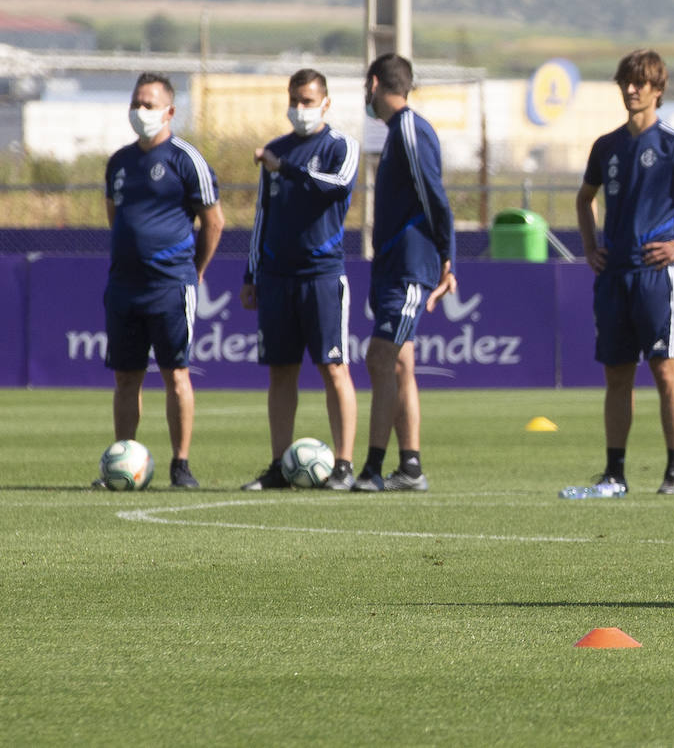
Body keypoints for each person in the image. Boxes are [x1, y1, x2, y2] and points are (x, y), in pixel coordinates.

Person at [575, 48, 674, 496]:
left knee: (666, 371)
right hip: (614, 277)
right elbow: (584, 198)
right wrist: (589, 247)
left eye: (640, 83)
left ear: (657, 89)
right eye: (625, 82)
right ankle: (615, 473)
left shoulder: (673, 143)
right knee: (617, 376)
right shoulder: (606, 146)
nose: (631, 90)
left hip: (655, 276)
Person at [240, 69, 361, 491]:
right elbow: (263, 215)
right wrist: (252, 273)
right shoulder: (275, 150)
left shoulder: (340, 146)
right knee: (281, 371)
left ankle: (343, 466)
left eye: (307, 101)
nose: (299, 108)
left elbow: (338, 186)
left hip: (321, 274)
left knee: (333, 367)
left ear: (325, 103)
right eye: (294, 100)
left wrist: (287, 169)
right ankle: (278, 465)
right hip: (276, 276)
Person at [102, 71, 223, 488]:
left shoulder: (186, 159)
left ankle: (180, 465)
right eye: (136, 103)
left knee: (176, 373)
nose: (140, 111)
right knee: (126, 377)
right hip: (124, 285)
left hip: (170, 284)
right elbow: (115, 216)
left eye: (149, 104)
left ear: (169, 111)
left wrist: (196, 269)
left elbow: (213, 222)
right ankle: (122, 460)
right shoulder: (119, 162)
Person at [354, 53, 456, 492]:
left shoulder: (411, 129)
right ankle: (410, 468)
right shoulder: (397, 132)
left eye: (367, 86)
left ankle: (372, 470)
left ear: (375, 84)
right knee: (399, 364)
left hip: (410, 268)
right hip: (393, 267)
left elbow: (435, 197)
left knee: (379, 357)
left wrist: (447, 257)